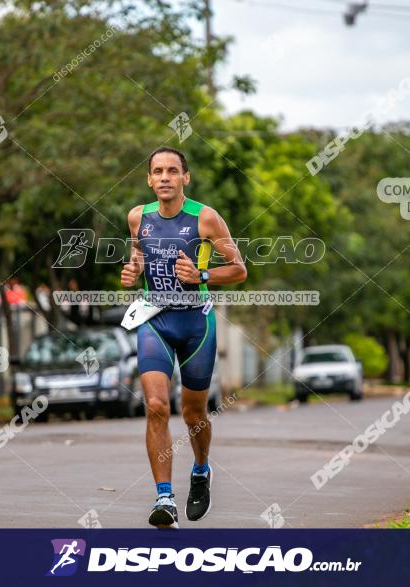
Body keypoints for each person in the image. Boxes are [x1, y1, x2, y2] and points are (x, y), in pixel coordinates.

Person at [121, 146, 247, 528]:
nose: (164, 177)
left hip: (196, 323)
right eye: (157, 171)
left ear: (184, 178)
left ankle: (201, 469)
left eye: (172, 171)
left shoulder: (205, 218)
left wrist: (202, 276)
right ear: (148, 178)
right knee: (157, 405)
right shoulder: (137, 217)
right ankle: (164, 499)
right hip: (155, 320)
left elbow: (239, 270)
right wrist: (132, 273)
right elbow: (138, 259)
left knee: (193, 412)